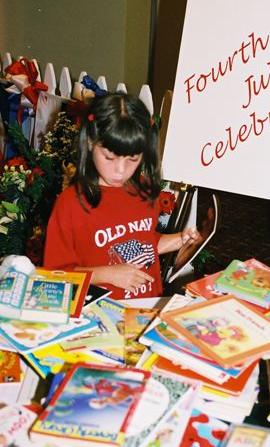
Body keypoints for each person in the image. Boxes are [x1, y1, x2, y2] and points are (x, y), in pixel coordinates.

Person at [43, 91, 199, 300]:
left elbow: (142, 242)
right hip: (99, 314)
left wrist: (180, 240)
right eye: (109, 157)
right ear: (90, 142)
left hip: (146, 305)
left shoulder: (144, 191)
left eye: (132, 159)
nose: (120, 170)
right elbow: (55, 275)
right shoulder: (71, 204)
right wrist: (105, 274)